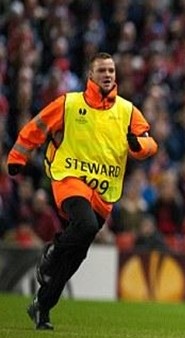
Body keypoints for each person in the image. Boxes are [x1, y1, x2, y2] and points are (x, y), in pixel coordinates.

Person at [6, 52, 158, 330]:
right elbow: (37, 126)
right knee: (85, 225)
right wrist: (17, 157)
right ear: (90, 75)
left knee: (77, 254)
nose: (108, 75)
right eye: (102, 71)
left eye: (111, 70)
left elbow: (150, 143)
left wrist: (138, 146)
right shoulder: (70, 103)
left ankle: (42, 307)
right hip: (70, 178)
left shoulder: (126, 111)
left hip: (103, 191)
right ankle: (51, 254)